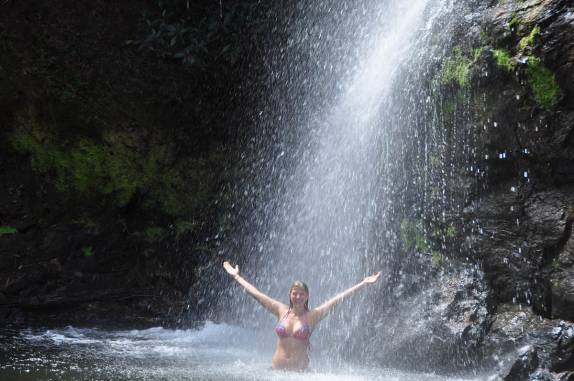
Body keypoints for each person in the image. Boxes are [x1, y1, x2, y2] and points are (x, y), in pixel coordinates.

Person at [223, 261, 381, 371]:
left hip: (300, 375)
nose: (297, 297)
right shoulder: (281, 310)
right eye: (295, 293)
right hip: (275, 373)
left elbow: (338, 299)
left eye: (301, 294)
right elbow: (256, 294)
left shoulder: (314, 315)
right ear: (290, 295)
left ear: (307, 297)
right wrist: (237, 277)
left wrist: (364, 283)